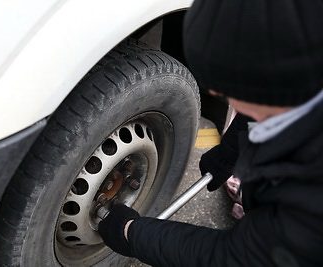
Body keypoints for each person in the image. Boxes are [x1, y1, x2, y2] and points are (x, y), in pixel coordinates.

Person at [98, 0, 323, 266]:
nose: (220, 96)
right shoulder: (303, 72)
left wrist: (132, 233)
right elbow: (260, 113)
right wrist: (227, 157)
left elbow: (231, 258)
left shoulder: (310, 202)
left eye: (228, 91)